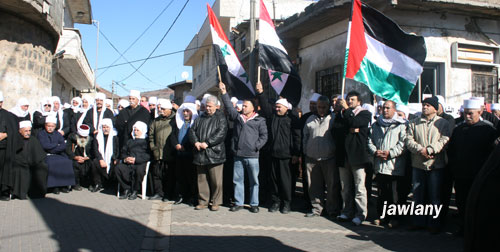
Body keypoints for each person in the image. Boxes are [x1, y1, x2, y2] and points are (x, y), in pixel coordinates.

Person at [447, 99, 497, 236]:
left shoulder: (488, 129)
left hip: (479, 176)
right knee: (461, 203)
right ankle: (464, 227)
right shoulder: (458, 130)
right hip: (461, 174)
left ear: (480, 112)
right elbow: (451, 151)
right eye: (465, 114)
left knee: (478, 204)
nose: (467, 116)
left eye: (470, 114)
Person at [219, 82, 267, 213]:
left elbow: (264, 136)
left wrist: (256, 147)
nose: (243, 107)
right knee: (238, 180)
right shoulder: (238, 117)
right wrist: (224, 93)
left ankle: (254, 203)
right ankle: (239, 202)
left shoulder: (259, 120)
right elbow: (229, 107)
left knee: (254, 181)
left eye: (246, 105)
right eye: (243, 105)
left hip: (252, 156)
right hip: (238, 155)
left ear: (253, 108)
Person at [406, 96, 450, 234]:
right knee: (418, 195)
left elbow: (445, 139)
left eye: (428, 105)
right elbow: (408, 139)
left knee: (434, 196)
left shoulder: (442, 123)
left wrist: (430, 149)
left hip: (435, 165)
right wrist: (420, 150)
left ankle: (434, 223)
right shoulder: (414, 122)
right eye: (423, 105)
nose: (424, 107)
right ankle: (418, 221)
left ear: (435, 108)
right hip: (418, 164)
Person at [256, 81, 300, 214]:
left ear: (286, 108)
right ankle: (275, 202)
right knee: (273, 181)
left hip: (286, 156)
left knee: (285, 182)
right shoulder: (272, 117)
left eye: (280, 107)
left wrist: (296, 154)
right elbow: (265, 106)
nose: (277, 109)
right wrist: (261, 93)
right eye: (276, 107)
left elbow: (297, 138)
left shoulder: (292, 119)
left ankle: (286, 203)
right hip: (273, 155)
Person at [367, 100, 407, 228]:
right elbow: (369, 141)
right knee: (382, 194)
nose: (385, 110)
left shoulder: (401, 125)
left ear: (394, 110)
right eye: (383, 108)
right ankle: (382, 216)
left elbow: (403, 144)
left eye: (388, 108)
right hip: (380, 166)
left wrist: (390, 153)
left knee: (395, 196)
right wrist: (375, 151)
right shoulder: (376, 125)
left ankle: (396, 218)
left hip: (395, 166)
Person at [336, 91, 371, 226]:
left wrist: (348, 115)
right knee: (345, 187)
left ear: (359, 102)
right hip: (343, 156)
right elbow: (338, 129)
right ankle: (347, 211)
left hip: (357, 156)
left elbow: (355, 122)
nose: (349, 101)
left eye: (352, 99)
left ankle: (361, 213)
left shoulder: (365, 113)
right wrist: (350, 127)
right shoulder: (342, 114)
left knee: (359, 186)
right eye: (348, 99)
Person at [302, 95, 340, 218]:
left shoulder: (333, 118)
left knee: (332, 185)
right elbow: (305, 136)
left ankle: (332, 209)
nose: (321, 109)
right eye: (319, 107)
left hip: (329, 158)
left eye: (323, 107)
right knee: (313, 185)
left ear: (328, 107)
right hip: (312, 158)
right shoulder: (310, 119)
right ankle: (316, 208)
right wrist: (305, 151)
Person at [189, 95, 228, 211]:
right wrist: (195, 142)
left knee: (216, 180)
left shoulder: (221, 118)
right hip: (200, 153)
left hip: (214, 153)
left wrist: (207, 143)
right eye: (207, 106)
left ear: (216, 106)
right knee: (202, 179)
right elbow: (192, 131)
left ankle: (216, 202)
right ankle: (203, 201)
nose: (208, 108)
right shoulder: (200, 118)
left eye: (210, 106)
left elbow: (221, 133)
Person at [38, 116, 75, 194]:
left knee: (67, 162)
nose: (50, 128)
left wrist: (54, 148)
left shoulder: (57, 134)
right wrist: (56, 145)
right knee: (53, 163)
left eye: (52, 126)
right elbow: (44, 145)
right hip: (46, 154)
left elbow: (63, 145)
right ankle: (54, 187)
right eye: (48, 126)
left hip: (58, 154)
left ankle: (64, 185)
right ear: (45, 126)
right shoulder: (41, 134)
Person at [11, 121, 48, 199]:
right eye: (26, 131)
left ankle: (37, 193)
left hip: (33, 162)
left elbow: (39, 154)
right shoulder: (16, 139)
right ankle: (20, 193)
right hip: (19, 163)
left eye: (29, 131)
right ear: (20, 131)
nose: (28, 133)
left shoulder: (33, 139)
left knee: (42, 168)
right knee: (20, 169)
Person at [170, 102, 198, 205]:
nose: (185, 113)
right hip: (179, 154)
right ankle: (181, 196)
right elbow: (172, 135)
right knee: (180, 177)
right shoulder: (178, 123)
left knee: (191, 177)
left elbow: (195, 137)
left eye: (187, 111)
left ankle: (192, 197)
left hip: (190, 154)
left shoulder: (195, 123)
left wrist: (185, 147)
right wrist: (176, 144)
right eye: (184, 111)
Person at [148, 99, 176, 201]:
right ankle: (158, 193)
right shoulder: (156, 121)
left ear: (169, 109)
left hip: (169, 153)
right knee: (157, 174)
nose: (161, 111)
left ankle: (168, 194)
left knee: (169, 175)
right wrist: (153, 147)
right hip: (157, 152)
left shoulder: (174, 120)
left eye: (164, 109)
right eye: (160, 109)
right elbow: (151, 136)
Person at [116, 121, 151, 200]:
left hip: (139, 162)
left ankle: (135, 190)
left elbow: (148, 155)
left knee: (139, 171)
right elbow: (123, 152)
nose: (135, 132)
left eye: (137, 130)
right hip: (128, 162)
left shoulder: (146, 142)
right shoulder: (130, 141)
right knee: (118, 168)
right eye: (134, 130)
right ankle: (126, 188)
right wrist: (126, 159)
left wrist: (136, 160)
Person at [0, 91, 20, 200]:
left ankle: (3, 192)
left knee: (5, 171)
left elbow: (14, 131)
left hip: (4, 149)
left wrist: (6, 135)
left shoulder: (9, 116)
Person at [66, 124, 96, 191]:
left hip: (87, 158)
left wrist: (86, 158)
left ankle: (90, 183)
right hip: (76, 157)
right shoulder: (72, 137)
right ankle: (76, 184)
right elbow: (68, 149)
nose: (83, 138)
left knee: (92, 165)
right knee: (75, 165)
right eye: (81, 136)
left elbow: (94, 151)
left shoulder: (91, 139)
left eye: (84, 137)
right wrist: (75, 157)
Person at [92, 118, 119, 192]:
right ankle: (98, 184)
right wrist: (100, 159)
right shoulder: (97, 137)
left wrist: (115, 158)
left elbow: (117, 149)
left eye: (107, 127)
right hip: (101, 158)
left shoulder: (115, 136)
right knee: (95, 162)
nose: (105, 129)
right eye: (104, 127)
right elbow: (96, 150)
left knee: (116, 165)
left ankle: (111, 185)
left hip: (111, 159)